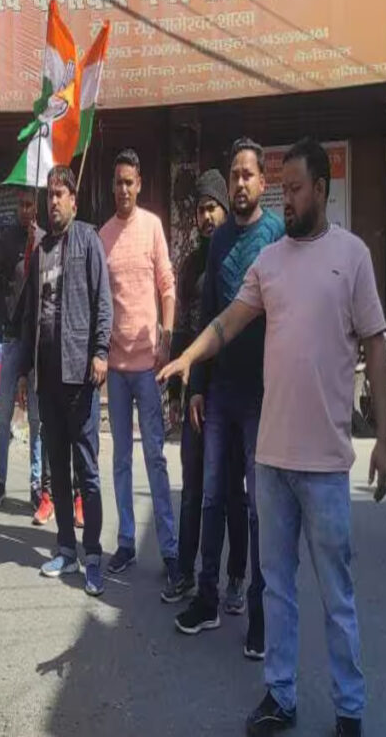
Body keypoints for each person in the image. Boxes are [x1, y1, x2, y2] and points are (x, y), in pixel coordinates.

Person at [160, 139, 386, 737]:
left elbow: (375, 344)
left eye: (294, 189)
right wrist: (189, 357)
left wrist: (385, 438)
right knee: (279, 590)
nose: (286, 199)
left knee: (336, 596)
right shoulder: (270, 262)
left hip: (327, 465)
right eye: (282, 188)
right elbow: (227, 321)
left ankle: (349, 709)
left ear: (322, 190)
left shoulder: (352, 256)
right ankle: (280, 696)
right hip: (272, 460)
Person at [175, 139, 285, 662]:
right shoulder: (218, 240)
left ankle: (260, 616)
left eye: (247, 175)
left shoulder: (277, 235)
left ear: (263, 181)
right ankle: (207, 598)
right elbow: (210, 317)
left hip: (264, 395)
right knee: (212, 497)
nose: (240, 183)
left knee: (260, 509)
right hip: (219, 394)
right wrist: (197, 385)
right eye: (234, 174)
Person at [17, 165, 112, 596]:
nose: (53, 201)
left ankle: (93, 557)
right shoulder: (40, 251)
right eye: (49, 194)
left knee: (86, 470)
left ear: (74, 199)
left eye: (60, 194)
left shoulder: (88, 240)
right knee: (57, 467)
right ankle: (66, 549)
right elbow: (29, 317)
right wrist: (25, 371)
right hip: (48, 377)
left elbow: (103, 301)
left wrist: (101, 352)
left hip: (80, 375)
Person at [163, 170, 247, 603]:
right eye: (200, 210)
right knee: (193, 486)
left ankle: (235, 577)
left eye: (212, 208)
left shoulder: (238, 257)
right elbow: (182, 331)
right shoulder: (191, 264)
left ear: (224, 209)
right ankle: (185, 572)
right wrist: (177, 393)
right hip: (198, 389)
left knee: (232, 488)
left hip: (233, 386)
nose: (206, 216)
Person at [98, 148, 179, 587]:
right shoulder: (103, 236)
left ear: (140, 184)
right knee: (121, 459)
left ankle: (169, 549)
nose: (124, 189)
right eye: (118, 182)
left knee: (155, 457)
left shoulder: (151, 227)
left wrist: (166, 336)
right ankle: (126, 542)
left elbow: (167, 285)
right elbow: (99, 299)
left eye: (130, 182)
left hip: (148, 365)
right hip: (116, 367)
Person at [0, 186, 50, 521]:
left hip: (37, 340)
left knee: (37, 418)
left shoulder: (45, 241)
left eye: (30, 205)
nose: (26, 210)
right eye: (21, 205)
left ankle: (36, 484)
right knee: (4, 415)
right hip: (13, 337)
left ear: (37, 207)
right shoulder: (7, 240)